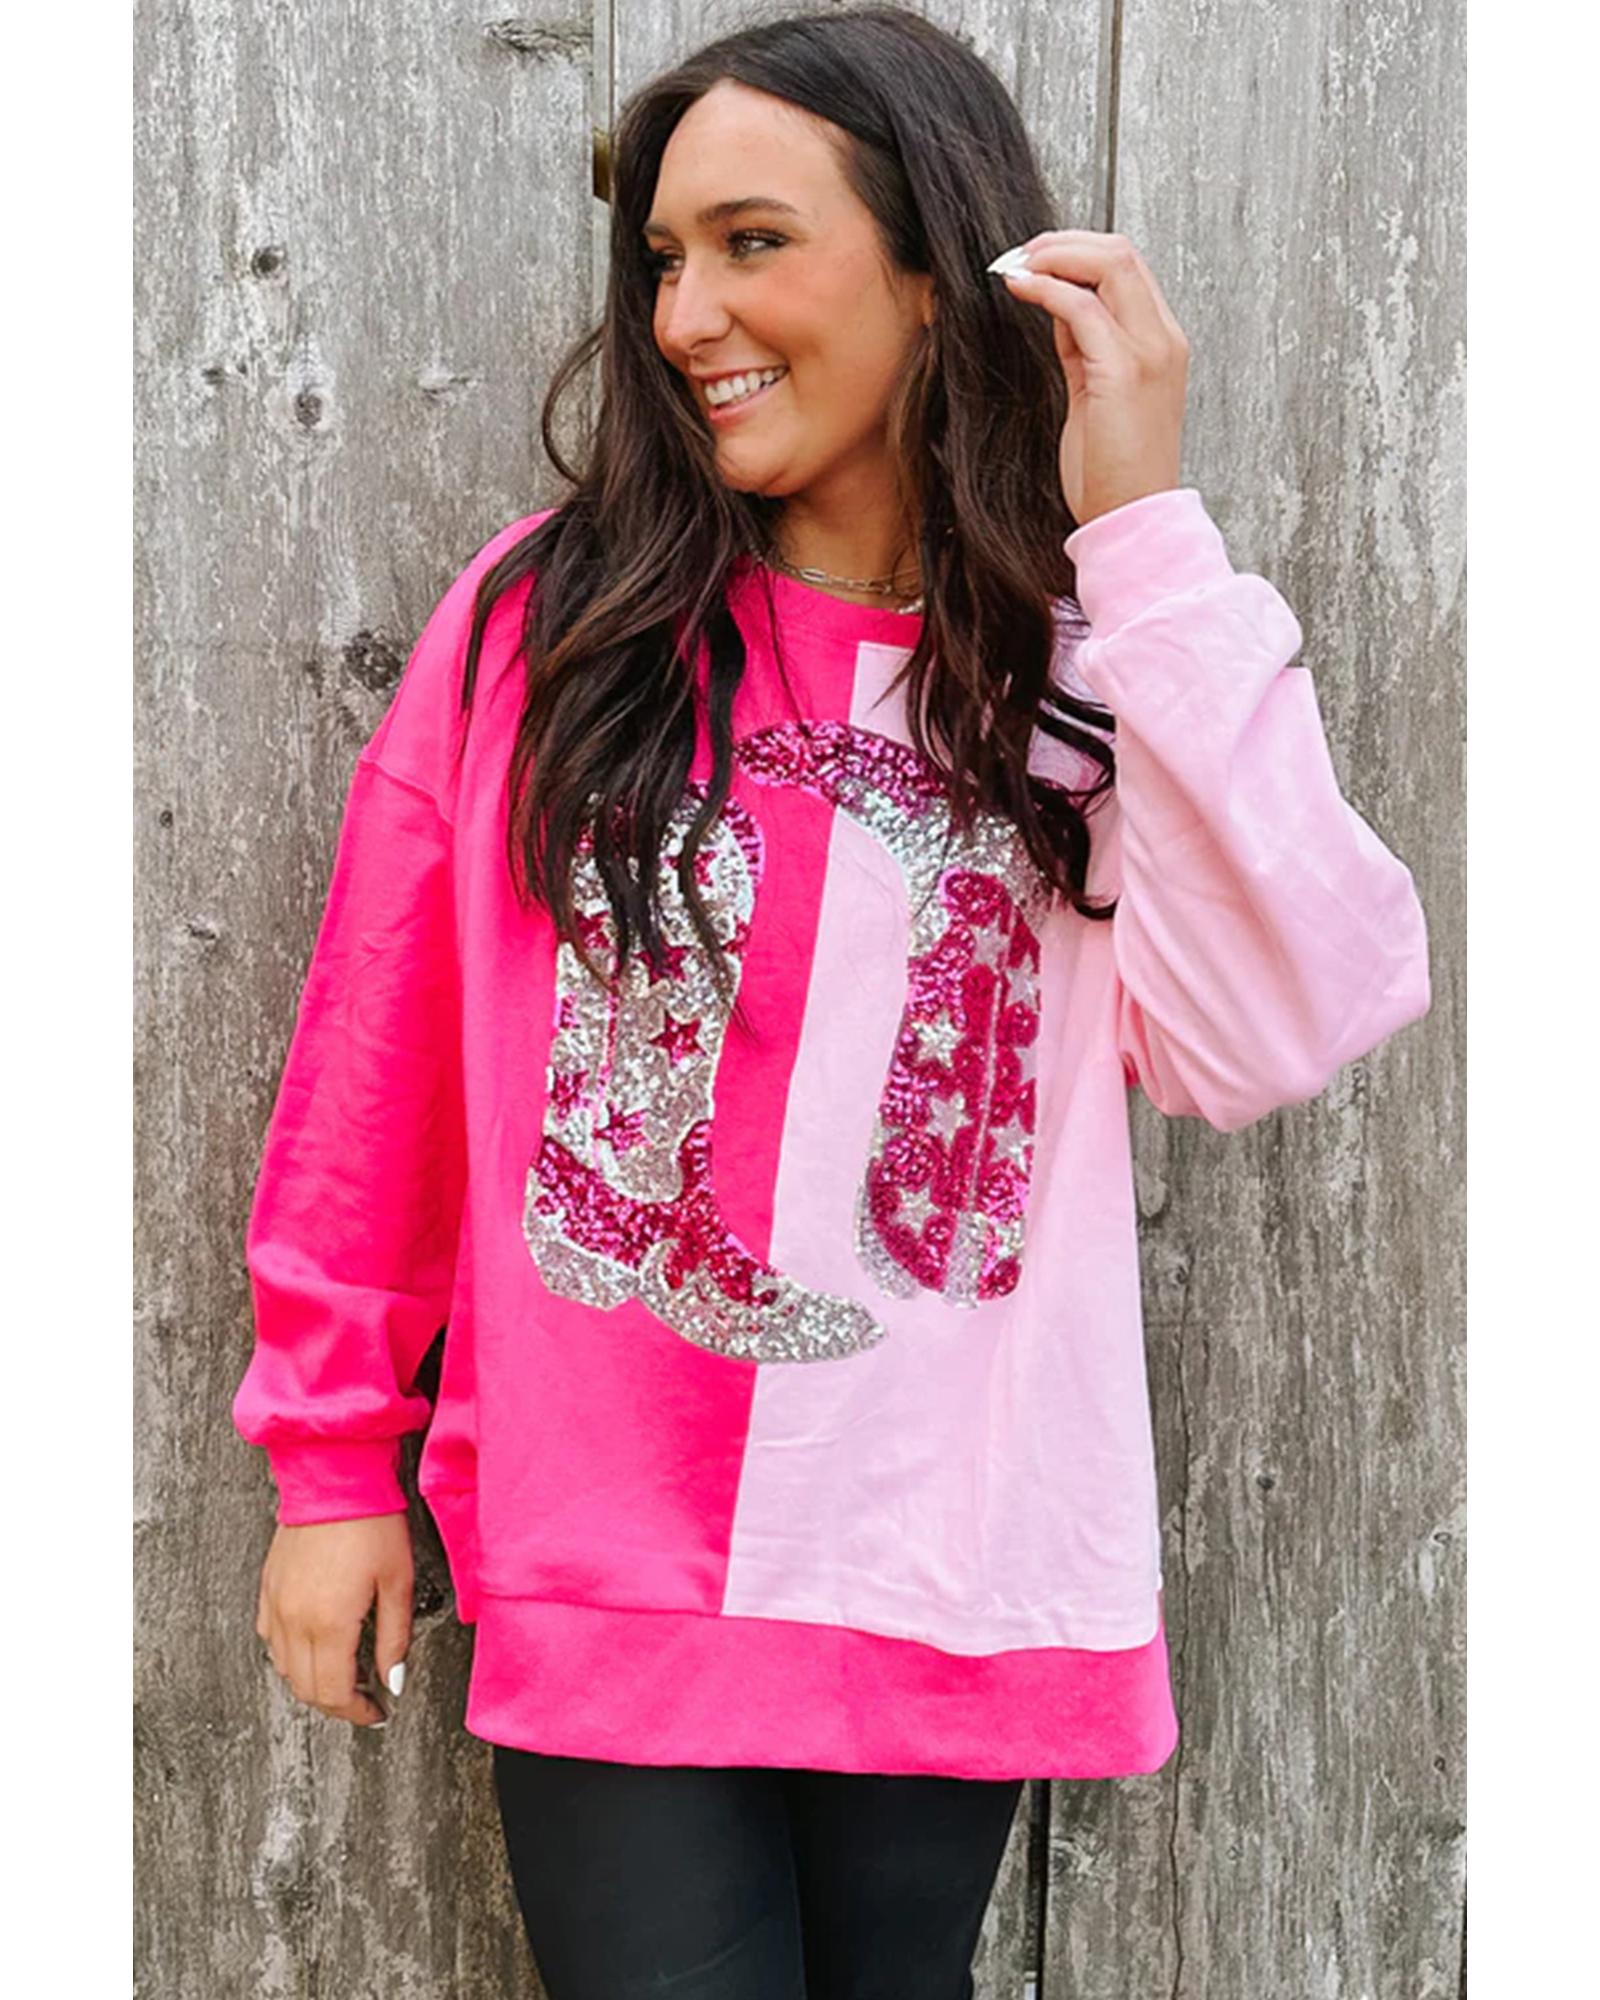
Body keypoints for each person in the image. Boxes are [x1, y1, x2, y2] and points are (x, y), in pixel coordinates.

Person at [233, 7, 1433, 1995]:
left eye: (751, 243)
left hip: (946, 1558)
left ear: (931, 266)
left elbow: (1278, 1025)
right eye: (662, 259)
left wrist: (1143, 538)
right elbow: (385, 1057)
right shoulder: (555, 624)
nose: (684, 313)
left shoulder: (1094, 659)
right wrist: (332, 1460)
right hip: (616, 1550)